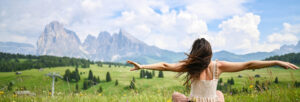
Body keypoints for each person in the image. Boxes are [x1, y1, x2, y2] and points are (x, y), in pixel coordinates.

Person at [127, 38, 299, 102]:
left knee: (175, 96)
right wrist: (275, 61)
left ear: (195, 54)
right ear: (209, 54)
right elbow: (248, 65)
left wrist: (142, 66)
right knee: (219, 95)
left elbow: (164, 66)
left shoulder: (190, 66)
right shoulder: (218, 66)